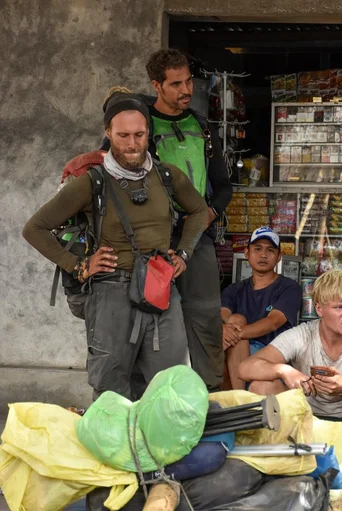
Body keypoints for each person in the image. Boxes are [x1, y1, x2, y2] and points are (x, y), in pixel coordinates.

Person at [23, 94, 208, 400]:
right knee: (112, 393)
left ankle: (160, 448)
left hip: (160, 289)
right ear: (108, 133)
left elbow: (199, 211)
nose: (132, 144)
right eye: (123, 135)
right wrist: (80, 266)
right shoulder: (91, 183)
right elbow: (35, 228)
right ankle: (115, 448)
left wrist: (185, 252)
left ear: (148, 132)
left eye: (139, 135)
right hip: (111, 293)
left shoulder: (166, 176)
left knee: (172, 390)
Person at [238, 269, 342, 470]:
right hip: (306, 428)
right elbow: (245, 368)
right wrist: (284, 370)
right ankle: (274, 471)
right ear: (319, 309)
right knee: (262, 386)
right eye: (339, 307)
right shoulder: (302, 335)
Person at [144, 49, 233, 392]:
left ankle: (209, 399)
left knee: (207, 320)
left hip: (199, 240)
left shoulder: (201, 125)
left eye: (188, 81)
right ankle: (154, 399)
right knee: (151, 324)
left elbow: (224, 186)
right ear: (157, 85)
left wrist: (208, 214)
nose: (186, 90)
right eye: (176, 83)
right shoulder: (142, 126)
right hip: (153, 243)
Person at [221, 226, 303, 390]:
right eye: (257, 249)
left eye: (270, 250)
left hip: (270, 356)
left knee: (234, 326)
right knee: (230, 324)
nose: (263, 255)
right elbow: (221, 316)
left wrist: (235, 332)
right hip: (234, 356)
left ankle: (240, 400)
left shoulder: (289, 287)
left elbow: (273, 321)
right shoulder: (234, 289)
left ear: (279, 256)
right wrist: (223, 330)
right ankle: (237, 398)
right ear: (246, 252)